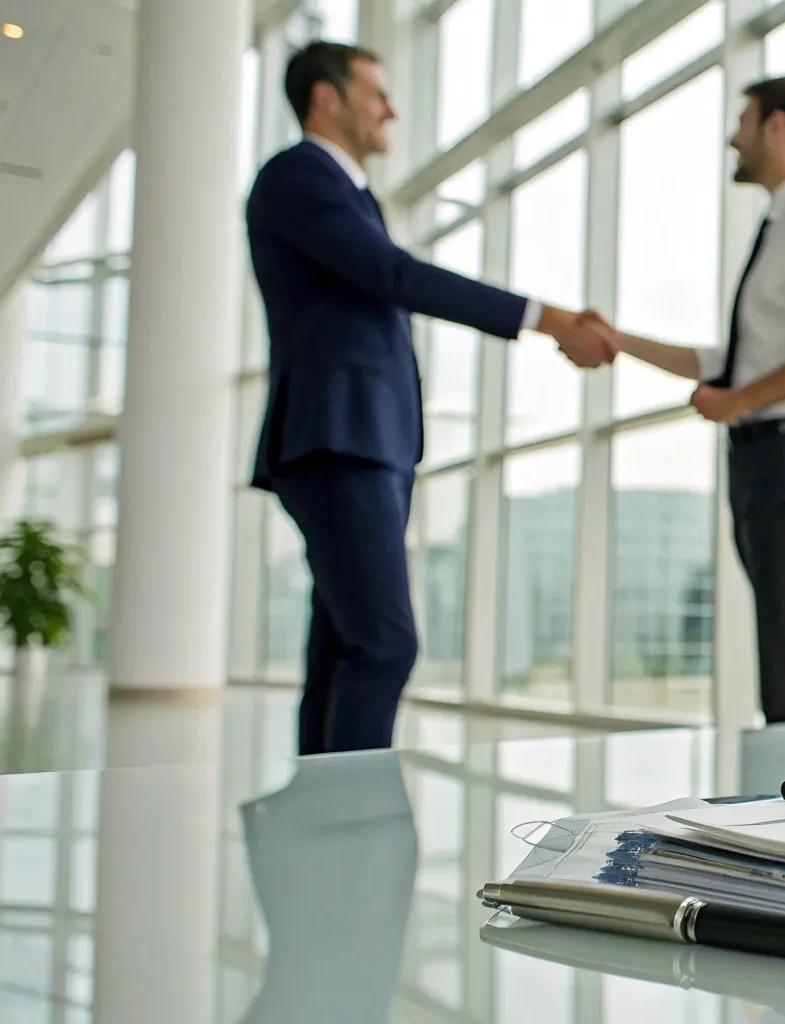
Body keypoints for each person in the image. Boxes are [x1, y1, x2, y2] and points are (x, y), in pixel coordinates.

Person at [246, 41, 615, 755]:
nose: (391, 110)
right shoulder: (299, 175)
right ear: (326, 97)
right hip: (338, 437)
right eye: (376, 93)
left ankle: (320, 807)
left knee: (344, 644)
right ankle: (356, 812)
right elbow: (393, 275)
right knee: (385, 644)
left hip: (366, 439)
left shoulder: (350, 193)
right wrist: (545, 318)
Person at [599, 76, 785, 723]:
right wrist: (620, 342)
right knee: (782, 644)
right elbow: (731, 362)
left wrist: (742, 399)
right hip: (765, 456)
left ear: (776, 126)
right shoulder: (781, 228)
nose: (733, 138)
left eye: (743, 122)